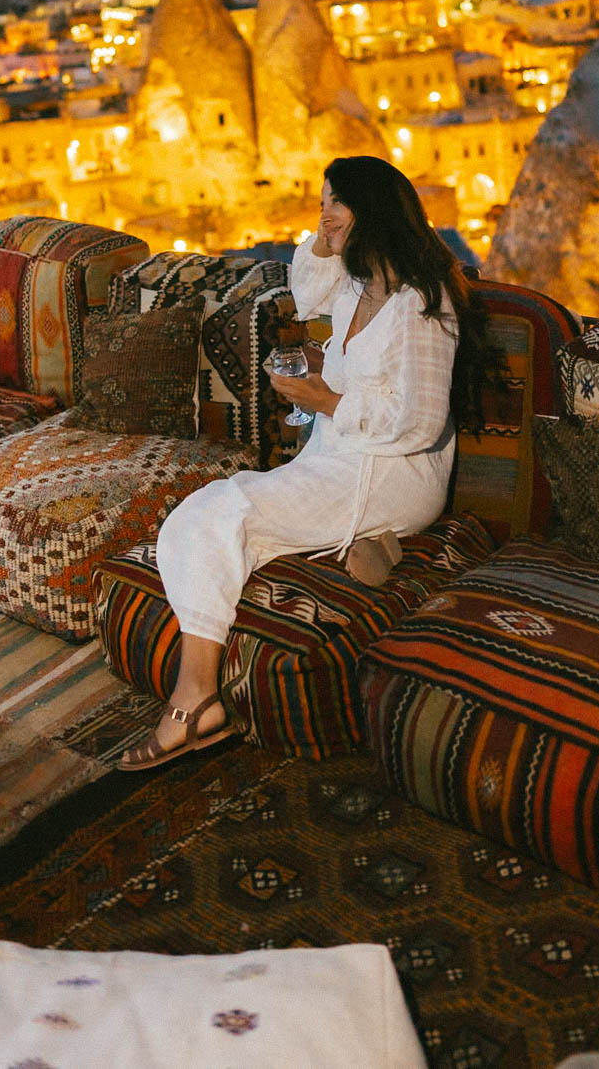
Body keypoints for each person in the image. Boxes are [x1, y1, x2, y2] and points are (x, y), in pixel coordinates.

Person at [118, 155, 500, 772]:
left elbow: (423, 422)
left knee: (226, 509)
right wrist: (326, 242)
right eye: (321, 201)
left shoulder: (424, 307)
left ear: (374, 211)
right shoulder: (355, 287)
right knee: (201, 512)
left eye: (338, 203)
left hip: (394, 471)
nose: (323, 214)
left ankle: (195, 699)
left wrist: (328, 400)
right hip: (337, 456)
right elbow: (304, 292)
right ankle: (377, 545)